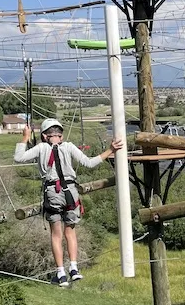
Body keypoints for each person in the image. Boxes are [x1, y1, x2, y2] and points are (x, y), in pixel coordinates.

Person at [14, 118, 124, 287]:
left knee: (56, 235)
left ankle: (61, 273)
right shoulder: (69, 146)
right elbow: (89, 163)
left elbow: (18, 157)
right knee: (70, 232)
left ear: (44, 136)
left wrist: (25, 137)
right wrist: (110, 150)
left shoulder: (41, 147)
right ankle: (74, 268)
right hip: (71, 193)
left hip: (52, 193)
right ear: (61, 135)